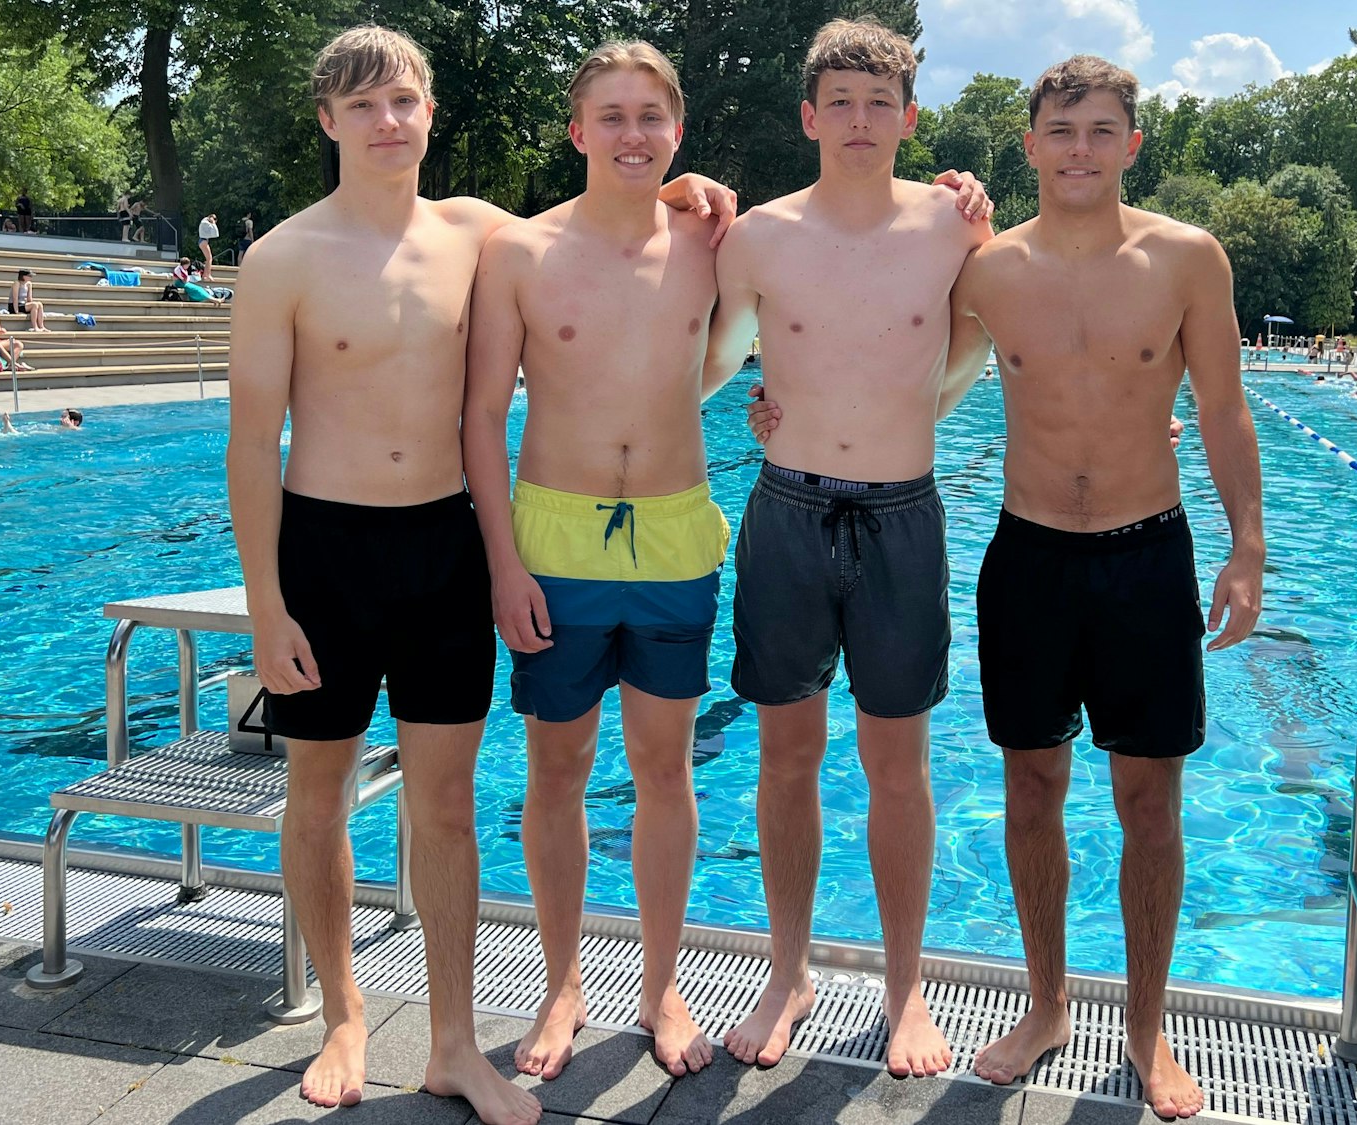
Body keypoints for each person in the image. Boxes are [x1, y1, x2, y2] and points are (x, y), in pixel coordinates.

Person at [226, 24, 732, 1122]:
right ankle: (344, 1015)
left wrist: (689, 186)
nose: (388, 122)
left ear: (427, 112)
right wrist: (266, 606)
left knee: (446, 803)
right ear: (328, 121)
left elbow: (606, 209)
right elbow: (249, 444)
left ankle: (453, 1043)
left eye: (404, 100)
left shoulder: (479, 236)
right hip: (326, 547)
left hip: (445, 545)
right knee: (315, 798)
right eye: (363, 106)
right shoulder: (283, 258)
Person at [934, 56, 1261, 1118]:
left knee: (1146, 801)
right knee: (1031, 791)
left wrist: (1245, 548)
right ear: (1026, 145)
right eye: (1059, 129)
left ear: (1131, 143)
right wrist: (777, 413)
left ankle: (1147, 1027)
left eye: (1100, 129)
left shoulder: (1185, 259)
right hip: (1026, 557)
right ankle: (1044, 1005)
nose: (1079, 147)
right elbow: (900, 371)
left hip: (1145, 555)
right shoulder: (983, 269)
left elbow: (1221, 410)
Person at [700, 17, 995, 1080]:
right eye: (841, 102)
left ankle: (905, 986)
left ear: (909, 119)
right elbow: (713, 361)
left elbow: (981, 352)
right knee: (786, 756)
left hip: (902, 516)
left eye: (881, 103)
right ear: (808, 116)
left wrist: (909, 411)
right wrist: (749, 405)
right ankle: (786, 971)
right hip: (784, 511)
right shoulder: (758, 237)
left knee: (896, 768)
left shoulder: (957, 230)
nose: (860, 121)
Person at [462, 41, 733, 1083]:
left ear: (676, 131)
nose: (630, 134)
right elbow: (483, 417)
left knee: (665, 769)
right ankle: (562, 980)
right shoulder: (518, 253)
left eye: (649, 117)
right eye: (609, 116)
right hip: (554, 536)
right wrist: (502, 562)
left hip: (673, 529)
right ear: (577, 132)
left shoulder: (711, 242)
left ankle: (659, 984)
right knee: (558, 770)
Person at [198, 213, 220, 282]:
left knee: (208, 258)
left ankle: (205, 274)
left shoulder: (204, 222)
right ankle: (208, 274)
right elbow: (216, 234)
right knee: (209, 258)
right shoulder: (205, 222)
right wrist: (213, 223)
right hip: (203, 241)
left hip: (203, 241)